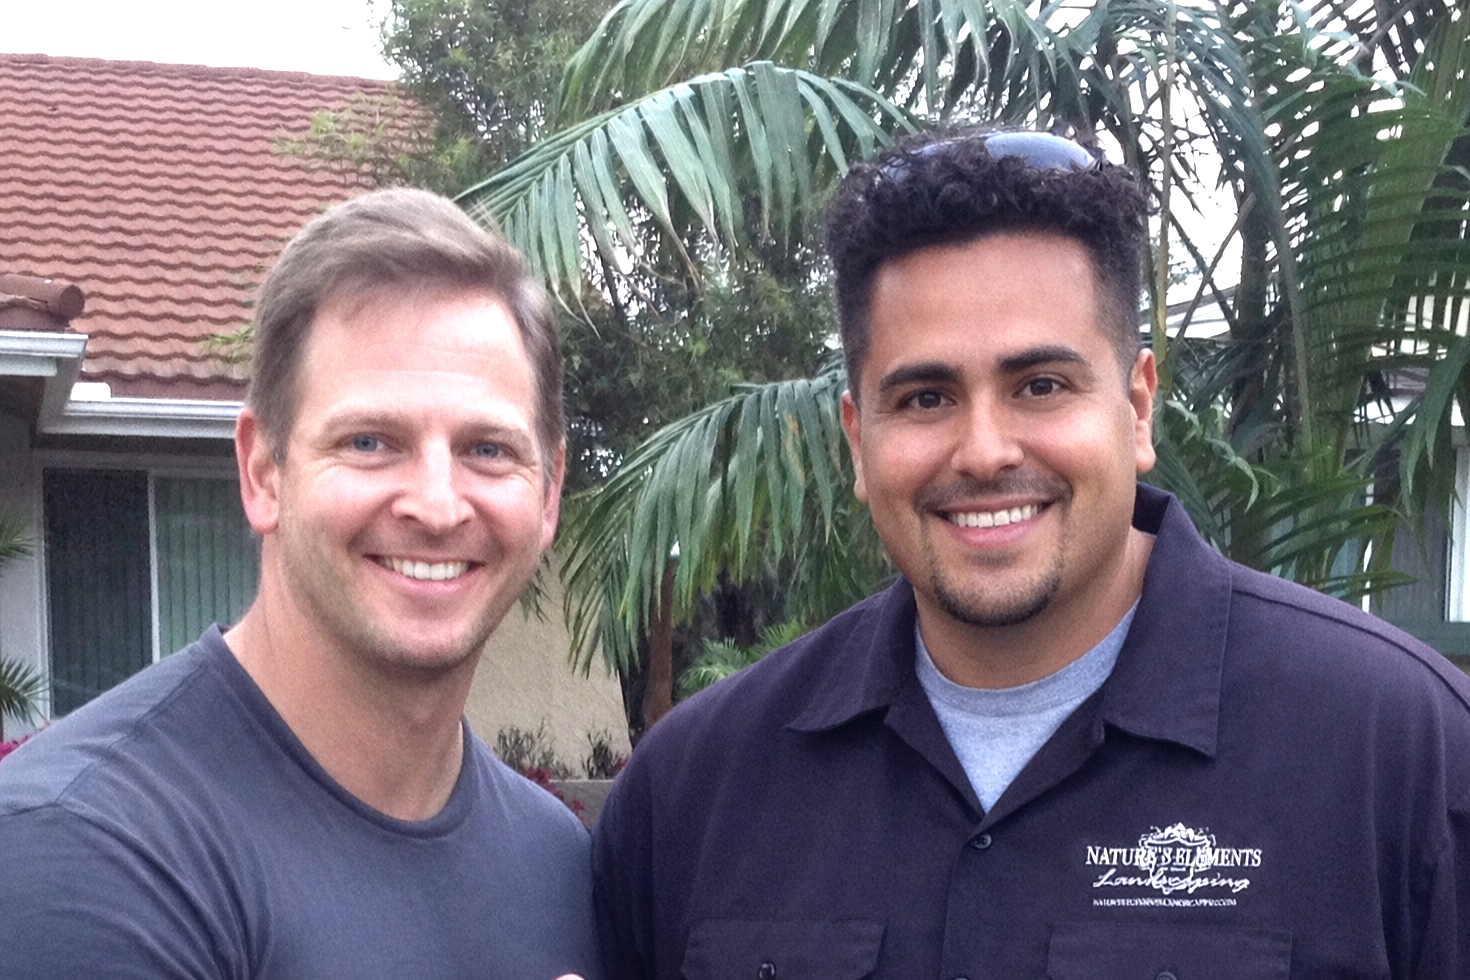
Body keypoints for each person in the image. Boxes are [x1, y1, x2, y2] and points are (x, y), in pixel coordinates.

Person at [591, 130, 1470, 978]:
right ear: (858, 442)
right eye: (926, 397)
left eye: (1041, 386)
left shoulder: (1403, 757)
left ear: (1139, 405)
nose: (983, 451)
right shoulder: (694, 793)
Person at [0, 188, 599, 980]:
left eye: (488, 450)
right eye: (368, 441)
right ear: (262, 470)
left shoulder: (555, 861)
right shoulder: (82, 851)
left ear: (549, 492)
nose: (436, 504)